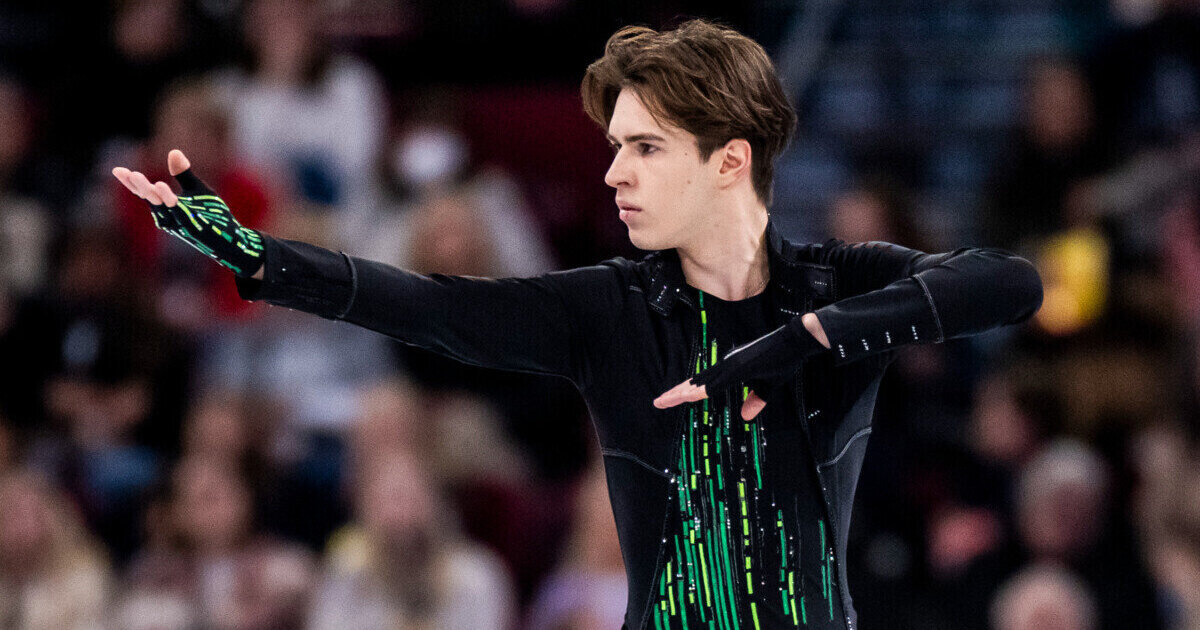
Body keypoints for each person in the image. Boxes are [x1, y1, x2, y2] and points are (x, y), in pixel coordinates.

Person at [111, 18, 1043, 630]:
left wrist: (809, 337)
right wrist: (260, 259)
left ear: (729, 162)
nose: (613, 173)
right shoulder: (611, 307)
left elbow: (1008, 282)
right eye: (615, 147)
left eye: (645, 148)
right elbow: (428, 304)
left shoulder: (836, 282)